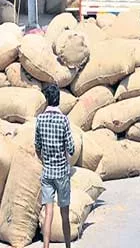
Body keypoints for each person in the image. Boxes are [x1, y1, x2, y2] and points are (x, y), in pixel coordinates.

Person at [35, 84, 75, 248]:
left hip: (47, 174)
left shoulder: (40, 120)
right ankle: (67, 246)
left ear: (47, 101)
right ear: (58, 100)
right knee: (64, 213)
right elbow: (71, 149)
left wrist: (45, 161)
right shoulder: (64, 120)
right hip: (62, 174)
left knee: (48, 212)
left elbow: (37, 147)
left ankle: (46, 247)